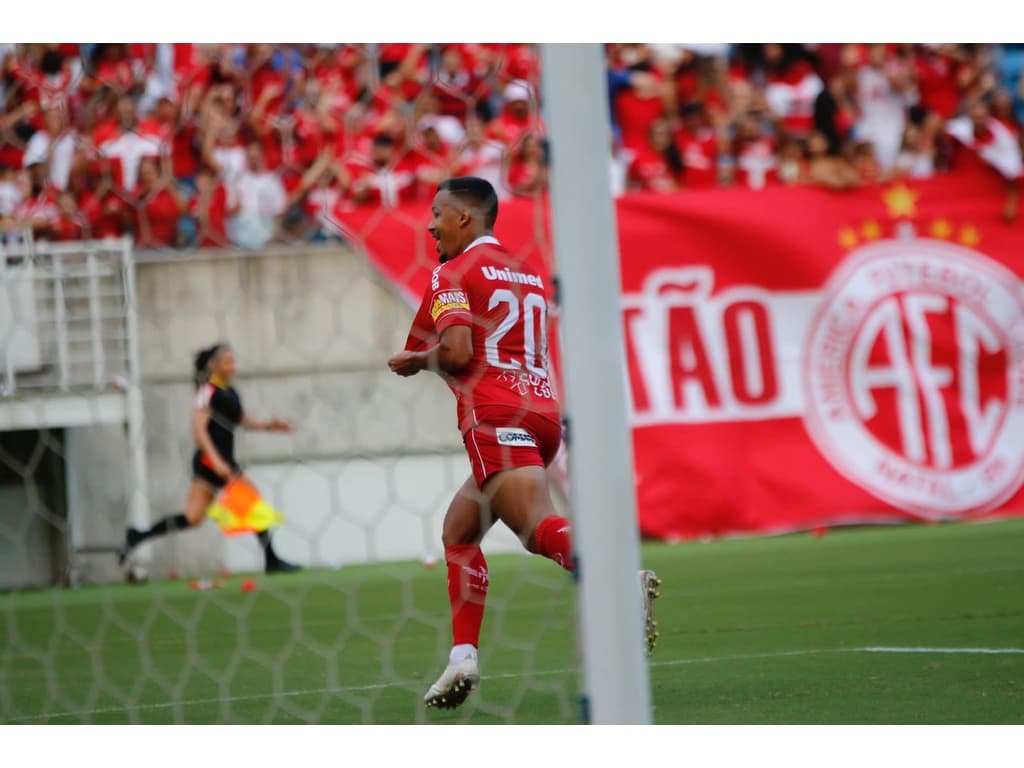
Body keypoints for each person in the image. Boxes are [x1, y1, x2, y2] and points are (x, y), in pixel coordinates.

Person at [387, 176, 660, 710]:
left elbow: (461, 351)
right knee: (459, 531)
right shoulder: (525, 271)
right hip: (542, 414)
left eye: (438, 213)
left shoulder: (451, 271)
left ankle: (618, 583)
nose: (430, 224)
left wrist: (420, 361)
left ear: (465, 218)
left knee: (536, 531)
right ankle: (462, 655)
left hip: (495, 415)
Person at [119, 343, 300, 573]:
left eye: (233, 361)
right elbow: (199, 430)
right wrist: (216, 461)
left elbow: (243, 420)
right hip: (212, 461)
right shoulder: (207, 392)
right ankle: (272, 561)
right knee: (253, 503)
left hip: (218, 462)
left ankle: (138, 535)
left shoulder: (230, 392)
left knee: (193, 518)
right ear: (213, 364)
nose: (232, 366)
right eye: (227, 361)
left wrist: (271, 425)